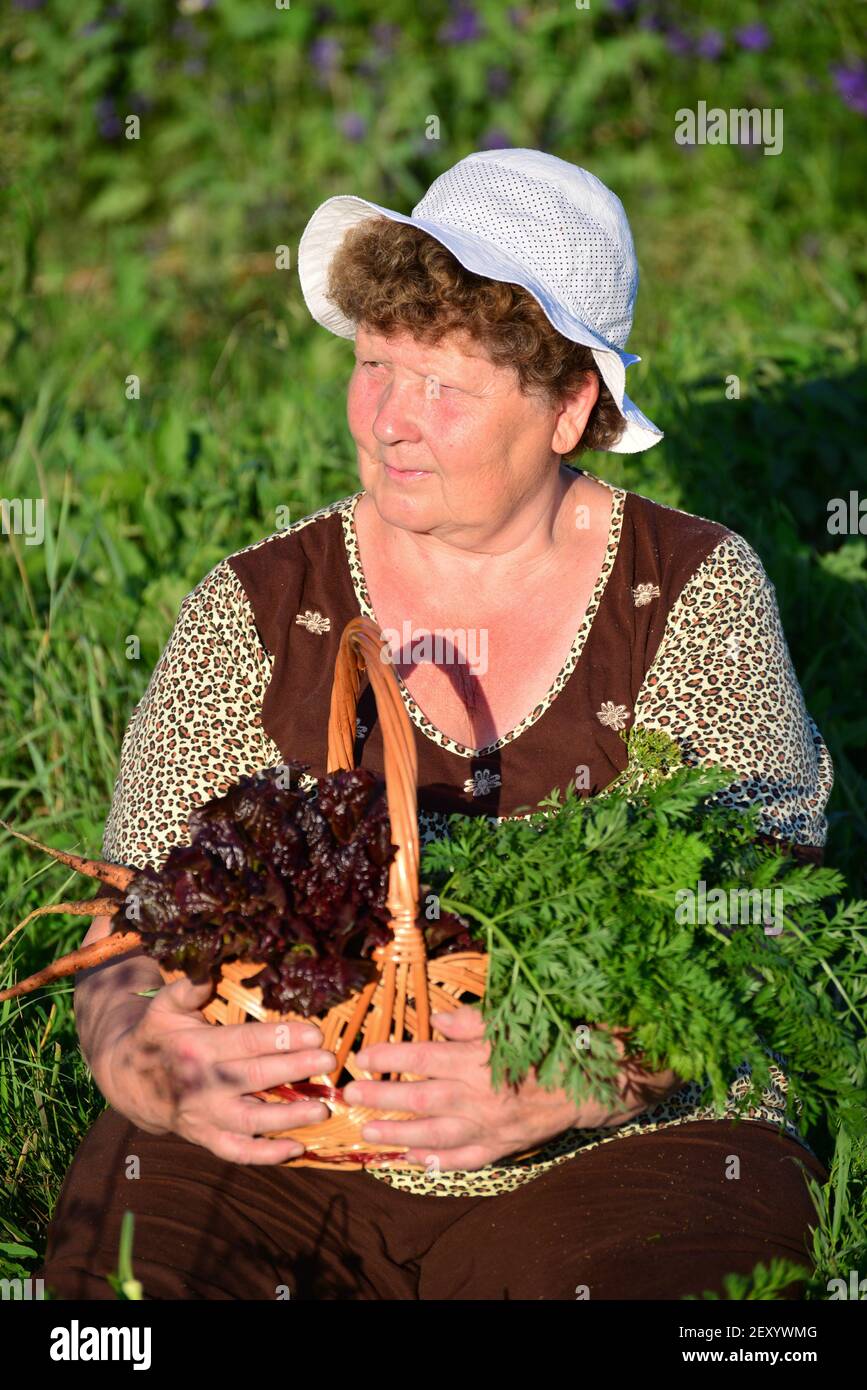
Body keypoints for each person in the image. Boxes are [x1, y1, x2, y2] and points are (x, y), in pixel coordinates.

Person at [39, 149, 832, 1301]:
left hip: (621, 1148)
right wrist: (139, 1056)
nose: (390, 423)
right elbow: (131, 906)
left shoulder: (691, 591)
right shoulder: (260, 605)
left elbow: (769, 919)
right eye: (373, 366)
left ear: (571, 408)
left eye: (446, 389)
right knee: (126, 1290)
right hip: (291, 1141)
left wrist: (592, 1070)